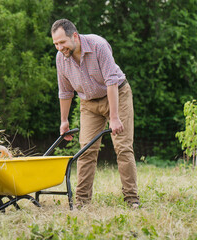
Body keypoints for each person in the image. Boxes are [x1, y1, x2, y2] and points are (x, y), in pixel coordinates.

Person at [51, 19, 140, 208]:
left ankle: (132, 199)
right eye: (56, 44)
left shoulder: (98, 45)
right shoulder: (61, 59)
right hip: (89, 103)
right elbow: (65, 92)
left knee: (123, 148)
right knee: (86, 151)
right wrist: (64, 121)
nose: (59, 48)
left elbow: (111, 81)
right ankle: (82, 202)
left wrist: (114, 117)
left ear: (74, 36)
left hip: (116, 95)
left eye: (62, 42)